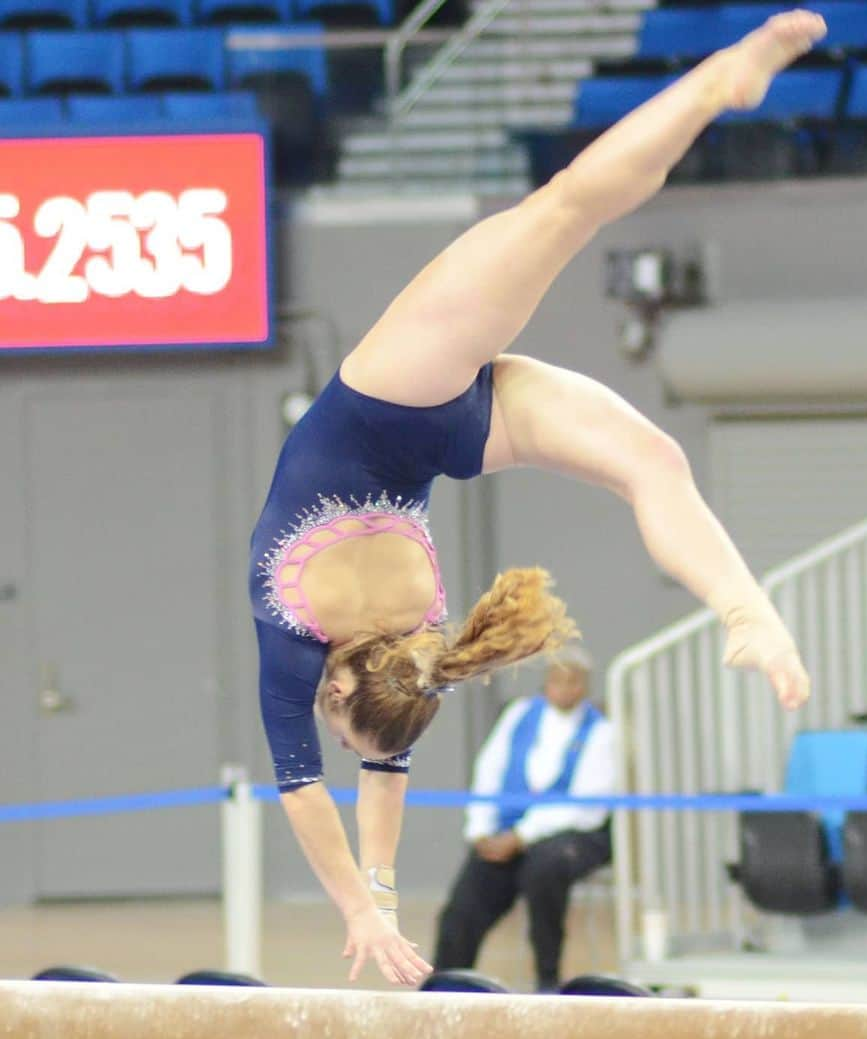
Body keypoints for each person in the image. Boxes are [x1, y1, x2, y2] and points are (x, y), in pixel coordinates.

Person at [249, 9, 822, 989]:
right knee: (579, 257)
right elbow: (337, 783)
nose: (335, 737)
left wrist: (371, 911)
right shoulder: (351, 655)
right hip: (430, 409)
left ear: (351, 685)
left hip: (408, 398)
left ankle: (745, 610)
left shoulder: (383, 640)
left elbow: (338, 789)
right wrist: (369, 902)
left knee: (586, 271)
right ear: (340, 685)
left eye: (340, 730)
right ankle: (742, 607)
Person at [433, 648, 615, 992]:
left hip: (570, 835)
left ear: (585, 687)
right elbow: (489, 771)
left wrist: (522, 836)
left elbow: (585, 805)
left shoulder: (601, 733)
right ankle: (446, 986)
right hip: (504, 833)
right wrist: (481, 829)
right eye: (557, 680)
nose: (565, 689)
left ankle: (547, 979)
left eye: (574, 682)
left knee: (543, 869)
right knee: (465, 903)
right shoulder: (518, 716)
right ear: (546, 683)